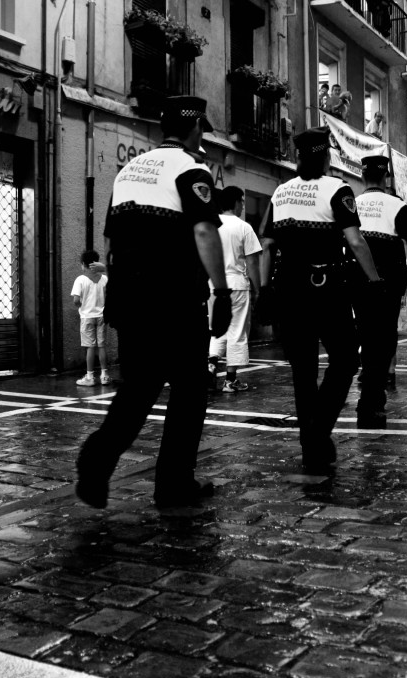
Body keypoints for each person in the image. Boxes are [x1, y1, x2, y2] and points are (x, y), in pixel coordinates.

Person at [77, 96, 230, 509]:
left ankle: (98, 457)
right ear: (196, 128)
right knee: (189, 391)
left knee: (138, 388)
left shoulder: (128, 171)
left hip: (130, 297)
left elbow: (110, 241)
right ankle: (174, 483)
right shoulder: (190, 168)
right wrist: (222, 289)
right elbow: (203, 232)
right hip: (175, 297)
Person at [258, 126, 381, 473]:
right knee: (344, 360)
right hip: (326, 286)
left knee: (303, 370)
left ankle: (311, 443)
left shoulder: (280, 193)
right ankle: (318, 433)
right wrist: (374, 279)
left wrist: (266, 288)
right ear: (327, 156)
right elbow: (355, 242)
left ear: (298, 157)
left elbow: (267, 245)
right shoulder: (337, 190)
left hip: (288, 287)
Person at [352, 155, 407, 427]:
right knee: (385, 338)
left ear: (363, 177)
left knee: (366, 334)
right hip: (387, 284)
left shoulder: (351, 203)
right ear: (386, 176)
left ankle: (369, 397)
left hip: (359, 282)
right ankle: (373, 402)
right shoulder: (396, 206)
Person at [208, 186, 262, 393]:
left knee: (217, 328)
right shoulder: (244, 227)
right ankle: (230, 380)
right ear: (237, 202)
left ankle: (211, 365)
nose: (243, 206)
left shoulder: (212, 224)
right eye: (242, 201)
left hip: (214, 284)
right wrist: (258, 289)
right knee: (236, 330)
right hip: (237, 284)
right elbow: (253, 262)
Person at [72, 249, 110, 387]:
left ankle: (89, 376)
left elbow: (76, 300)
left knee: (90, 347)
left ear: (83, 264)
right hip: (101, 315)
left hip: (87, 316)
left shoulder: (80, 280)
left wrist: (81, 306)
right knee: (102, 346)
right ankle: (105, 375)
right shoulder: (104, 279)